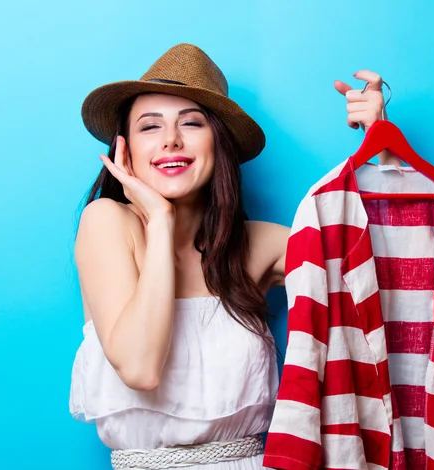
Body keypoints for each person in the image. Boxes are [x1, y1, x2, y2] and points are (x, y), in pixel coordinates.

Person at [69, 43, 389, 470]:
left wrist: (381, 144)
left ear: (220, 144)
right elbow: (140, 369)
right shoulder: (106, 222)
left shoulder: (259, 245)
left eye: (192, 123)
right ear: (124, 150)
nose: (170, 140)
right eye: (150, 127)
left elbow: (381, 273)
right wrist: (160, 222)